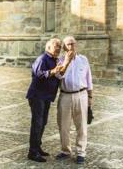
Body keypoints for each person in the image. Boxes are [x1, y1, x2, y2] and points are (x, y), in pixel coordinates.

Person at [25, 38, 66, 163]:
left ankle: (37, 147)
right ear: (48, 47)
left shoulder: (54, 60)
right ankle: (32, 152)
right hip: (37, 96)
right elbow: (39, 74)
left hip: (46, 96)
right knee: (37, 123)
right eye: (56, 46)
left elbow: (58, 75)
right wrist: (53, 71)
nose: (59, 48)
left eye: (60, 46)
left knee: (43, 122)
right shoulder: (42, 59)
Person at [56, 36, 93, 165]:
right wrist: (66, 61)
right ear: (65, 47)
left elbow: (89, 80)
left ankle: (81, 152)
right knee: (63, 126)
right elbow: (59, 76)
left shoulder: (83, 60)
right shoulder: (59, 61)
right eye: (68, 44)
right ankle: (65, 150)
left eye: (73, 43)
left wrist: (90, 97)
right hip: (65, 96)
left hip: (81, 95)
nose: (71, 45)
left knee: (81, 125)